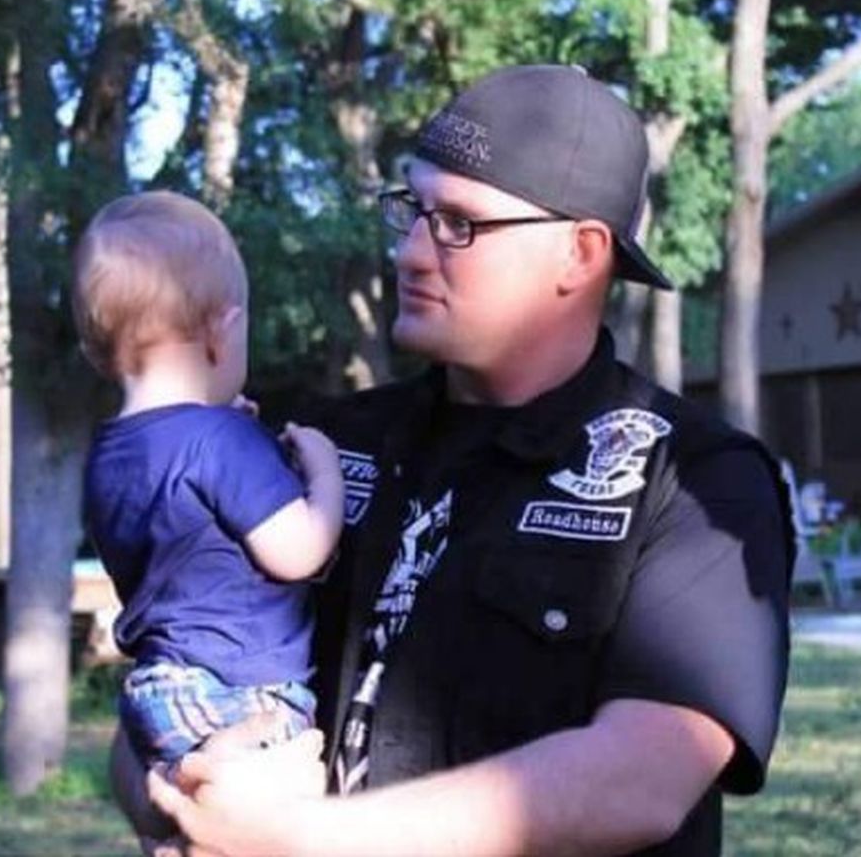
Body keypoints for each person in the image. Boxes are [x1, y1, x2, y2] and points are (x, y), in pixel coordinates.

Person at [131, 65, 795, 856]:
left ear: (580, 254)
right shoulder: (321, 449)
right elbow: (168, 675)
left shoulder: (691, 478)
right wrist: (186, 795)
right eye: (412, 210)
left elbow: (644, 777)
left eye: (459, 224)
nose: (412, 252)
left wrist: (305, 839)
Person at [73, 192, 345, 813]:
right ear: (222, 332)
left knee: (188, 819)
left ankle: (177, 795)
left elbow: (186, 523)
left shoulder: (108, 456)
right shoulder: (223, 441)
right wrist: (325, 473)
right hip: (240, 692)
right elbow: (300, 551)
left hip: (158, 691)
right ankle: (211, 778)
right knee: (290, 800)